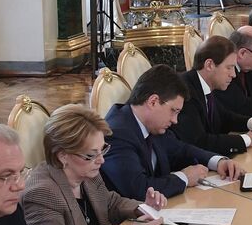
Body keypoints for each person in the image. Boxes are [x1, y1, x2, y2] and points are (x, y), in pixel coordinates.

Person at [22, 104, 168, 225]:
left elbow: (110, 203)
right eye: (91, 155)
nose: (101, 160)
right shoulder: (41, 193)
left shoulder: (87, 173)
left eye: (102, 150)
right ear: (62, 155)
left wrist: (143, 208)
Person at [101, 65, 242, 201]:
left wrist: (218, 162)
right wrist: (185, 177)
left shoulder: (151, 125)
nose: (175, 121)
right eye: (173, 111)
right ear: (153, 102)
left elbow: (182, 150)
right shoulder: (117, 133)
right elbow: (139, 190)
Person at [176, 36, 252, 156]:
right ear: (209, 65)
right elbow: (199, 141)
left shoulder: (203, 85)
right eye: (229, 68)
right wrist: (248, 139)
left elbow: (224, 116)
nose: (233, 74)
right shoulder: (185, 91)